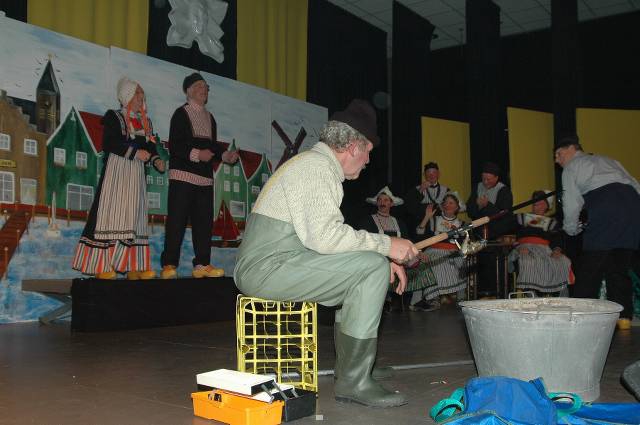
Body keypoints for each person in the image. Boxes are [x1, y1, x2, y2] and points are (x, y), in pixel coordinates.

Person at [234, 99, 418, 408]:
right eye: (368, 151)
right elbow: (325, 237)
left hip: (281, 260)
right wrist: (387, 245)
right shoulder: (316, 168)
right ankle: (354, 380)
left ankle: (353, 368)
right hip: (266, 267)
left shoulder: (315, 165)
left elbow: (319, 240)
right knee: (371, 269)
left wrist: (377, 256)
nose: (368, 160)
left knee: (369, 267)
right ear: (353, 146)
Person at [72, 77, 164, 280]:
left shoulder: (146, 123)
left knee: (134, 217)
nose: (141, 97)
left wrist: (156, 159)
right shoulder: (114, 117)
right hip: (118, 172)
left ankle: (133, 266)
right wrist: (135, 153)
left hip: (136, 175)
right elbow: (110, 143)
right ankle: (102, 265)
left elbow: (150, 146)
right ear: (127, 95)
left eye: (142, 94)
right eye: (137, 93)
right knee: (112, 215)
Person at [555, 134, 640, 330]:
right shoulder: (608, 160)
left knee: (590, 267)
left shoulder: (571, 167)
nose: (557, 160)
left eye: (559, 154)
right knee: (619, 266)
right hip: (632, 206)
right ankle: (624, 317)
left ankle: (579, 317)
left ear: (572, 149)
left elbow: (571, 203)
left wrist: (571, 229)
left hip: (606, 206)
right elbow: (635, 185)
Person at [160, 73, 239, 279]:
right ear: (189, 91)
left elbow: (212, 146)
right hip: (182, 176)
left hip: (204, 179)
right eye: (200, 86)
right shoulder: (181, 114)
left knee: (204, 223)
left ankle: (202, 264)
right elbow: (176, 145)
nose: (204, 90)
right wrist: (197, 154)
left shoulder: (210, 117)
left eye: (206, 87)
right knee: (176, 221)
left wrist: (225, 155)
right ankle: (169, 264)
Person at [359, 186, 437, 312]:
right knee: (383, 265)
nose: (382, 202)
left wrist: (418, 253)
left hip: (400, 257)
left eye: (386, 200)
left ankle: (417, 301)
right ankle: (383, 300)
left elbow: (407, 240)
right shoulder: (368, 221)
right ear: (376, 203)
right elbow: (365, 241)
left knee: (421, 263)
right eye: (380, 200)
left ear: (391, 204)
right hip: (379, 256)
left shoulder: (399, 222)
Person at [508, 190, 572, 296]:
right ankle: (530, 293)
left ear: (546, 205)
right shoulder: (522, 217)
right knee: (528, 261)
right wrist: (518, 247)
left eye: (540, 202)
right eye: (535, 202)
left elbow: (557, 238)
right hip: (524, 247)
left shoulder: (551, 222)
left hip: (545, 249)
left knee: (563, 261)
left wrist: (557, 250)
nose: (536, 205)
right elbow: (512, 235)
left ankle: (558, 293)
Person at [414, 192, 468, 309]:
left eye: (451, 203)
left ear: (457, 207)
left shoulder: (462, 224)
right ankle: (430, 299)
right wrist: (426, 217)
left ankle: (460, 298)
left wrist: (456, 232)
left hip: (453, 252)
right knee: (427, 262)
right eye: (445, 203)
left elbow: (464, 244)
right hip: (433, 250)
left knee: (456, 262)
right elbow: (419, 235)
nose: (447, 205)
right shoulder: (434, 220)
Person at [405, 161, 465, 240]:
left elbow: (453, 210)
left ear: (438, 174)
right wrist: (420, 190)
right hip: (420, 225)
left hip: (439, 226)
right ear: (424, 175)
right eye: (428, 172)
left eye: (434, 172)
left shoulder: (446, 190)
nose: (431, 175)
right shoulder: (416, 189)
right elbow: (409, 208)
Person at [466, 161, 515, 239]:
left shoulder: (504, 191)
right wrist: (477, 205)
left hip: (497, 233)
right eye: (483, 179)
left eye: (488, 179)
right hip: (478, 232)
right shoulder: (477, 187)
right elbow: (469, 211)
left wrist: (487, 205)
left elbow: (504, 215)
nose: (485, 182)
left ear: (496, 178)